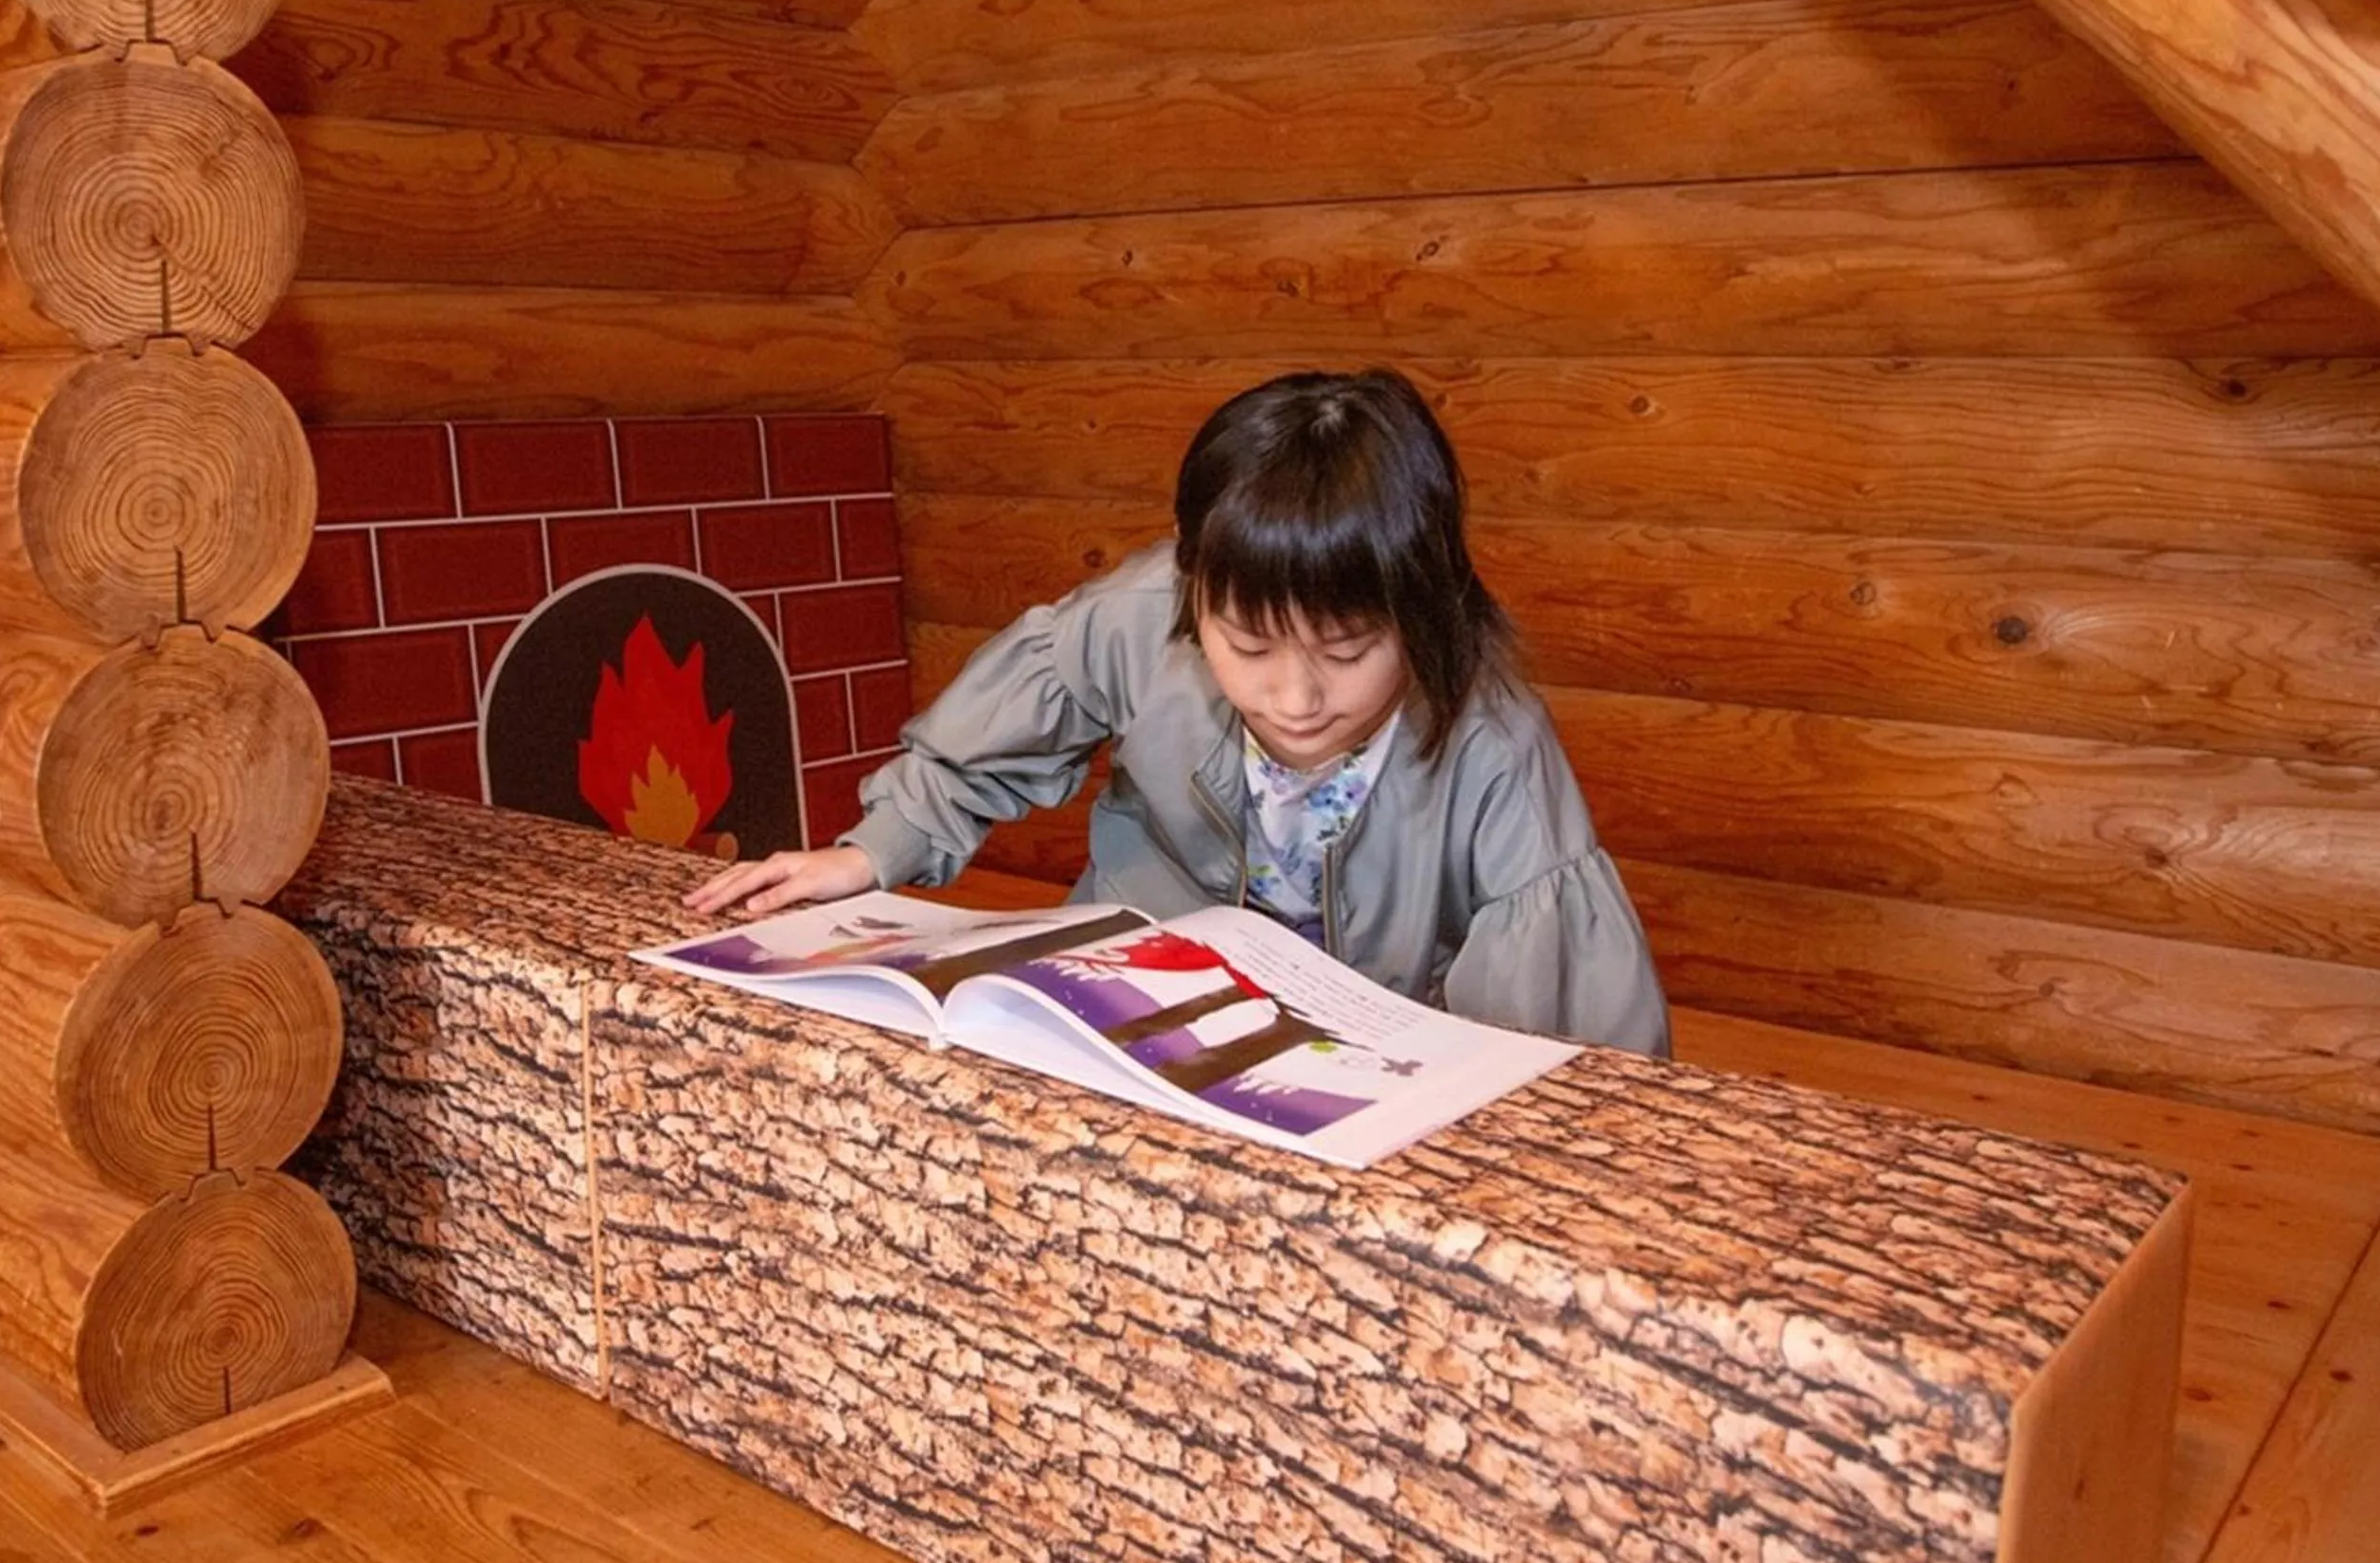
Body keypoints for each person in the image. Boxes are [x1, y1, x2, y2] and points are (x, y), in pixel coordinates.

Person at [683, 368, 1668, 1055]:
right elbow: (990, 738)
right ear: (1197, 593)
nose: (1296, 699)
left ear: (1422, 613)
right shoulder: (1139, 615)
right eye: (1248, 647)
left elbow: (1562, 1032)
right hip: (1132, 1005)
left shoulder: (1488, 733)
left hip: (1355, 1051)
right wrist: (870, 852)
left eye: (1347, 651)